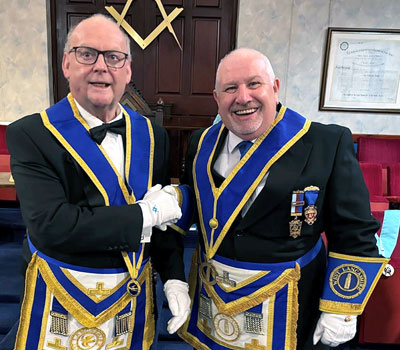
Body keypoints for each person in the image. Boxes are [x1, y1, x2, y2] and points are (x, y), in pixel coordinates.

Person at [177, 48, 388, 350]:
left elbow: (355, 231)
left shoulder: (325, 143)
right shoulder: (201, 142)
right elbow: (198, 210)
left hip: (291, 304)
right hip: (215, 300)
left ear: (274, 88)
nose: (243, 97)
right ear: (217, 97)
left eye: (254, 84)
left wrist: (340, 309)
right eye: (230, 88)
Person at [6, 14, 191, 350]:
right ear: (66, 64)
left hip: (132, 303)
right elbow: (52, 226)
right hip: (63, 297)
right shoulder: (32, 134)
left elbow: (165, 225)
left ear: (128, 70)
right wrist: (147, 213)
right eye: (87, 54)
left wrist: (175, 279)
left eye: (114, 57)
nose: (101, 67)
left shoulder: (154, 135)